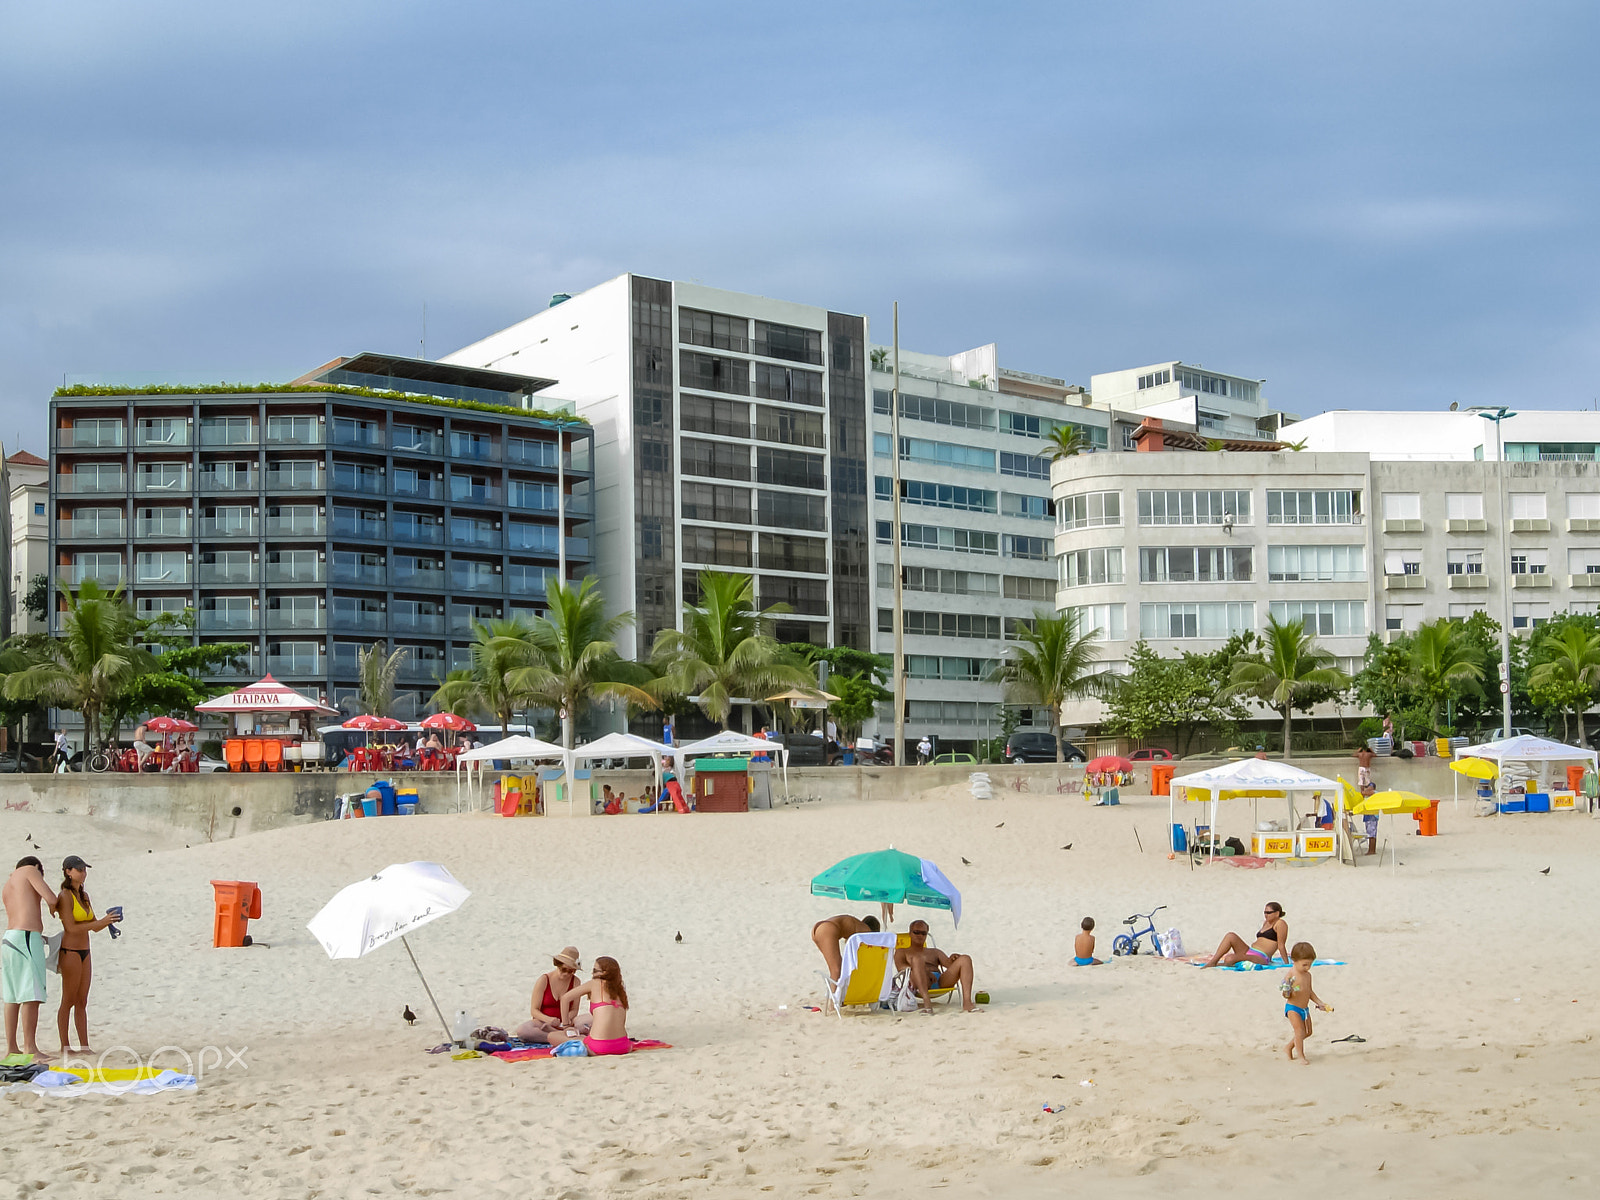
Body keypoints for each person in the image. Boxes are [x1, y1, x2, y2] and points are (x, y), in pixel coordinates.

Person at [56, 856, 119, 1056]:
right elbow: (71, 927)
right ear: (68, 871)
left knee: (82, 1000)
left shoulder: (84, 895)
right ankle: (65, 1046)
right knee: (68, 999)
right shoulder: (65, 895)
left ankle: (84, 1045)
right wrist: (100, 922)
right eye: (79, 869)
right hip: (71, 951)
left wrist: (108, 921)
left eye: (84, 869)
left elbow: (93, 925)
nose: (83, 873)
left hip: (85, 950)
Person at [3, 857, 60, 1064]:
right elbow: (51, 898)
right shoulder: (30, 870)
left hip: (9, 938)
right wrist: (53, 907)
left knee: (12, 995)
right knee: (31, 994)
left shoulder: (9, 882)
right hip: (27, 937)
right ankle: (31, 1047)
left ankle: (12, 1048)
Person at [895, 920, 977, 1012]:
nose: (920, 936)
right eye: (916, 932)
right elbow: (901, 967)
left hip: (940, 981)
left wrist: (954, 959)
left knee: (965, 959)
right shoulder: (902, 951)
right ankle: (927, 1004)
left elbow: (949, 964)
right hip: (919, 981)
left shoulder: (934, 952)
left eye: (923, 933)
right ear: (910, 933)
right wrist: (924, 971)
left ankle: (967, 1003)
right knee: (917, 959)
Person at [513, 947, 590, 1043]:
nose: (566, 974)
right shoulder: (544, 980)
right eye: (563, 969)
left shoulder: (575, 982)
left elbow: (574, 1009)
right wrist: (548, 1020)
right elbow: (534, 1010)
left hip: (565, 1024)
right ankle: (561, 1037)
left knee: (589, 1021)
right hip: (543, 1023)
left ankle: (556, 1036)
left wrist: (564, 1020)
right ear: (557, 965)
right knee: (523, 1030)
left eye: (570, 971)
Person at [558, 955, 632, 1056]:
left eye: (594, 970)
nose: (592, 973)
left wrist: (566, 1025)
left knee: (553, 1036)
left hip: (599, 1047)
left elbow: (565, 999)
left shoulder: (594, 983)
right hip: (623, 1046)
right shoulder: (620, 990)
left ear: (604, 973)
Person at [1199, 901, 1288, 968]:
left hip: (1261, 957)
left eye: (1269, 913)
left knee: (1229, 959)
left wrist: (1286, 964)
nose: (1266, 915)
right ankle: (1214, 961)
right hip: (1250, 951)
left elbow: (1281, 945)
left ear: (1277, 913)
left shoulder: (1280, 923)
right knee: (1231, 936)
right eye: (1265, 912)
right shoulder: (1266, 923)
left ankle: (1216, 963)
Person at [1281, 941, 1329, 1064]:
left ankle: (1288, 1047)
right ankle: (1301, 1056)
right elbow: (1285, 994)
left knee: (1308, 1032)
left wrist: (1320, 1002)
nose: (1307, 968)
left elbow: (1310, 992)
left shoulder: (1308, 975)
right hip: (1293, 1008)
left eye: (1310, 965)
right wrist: (1288, 991)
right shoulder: (1291, 975)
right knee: (1299, 1031)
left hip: (1304, 1009)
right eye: (1304, 965)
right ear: (1294, 960)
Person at [810, 913, 881, 983]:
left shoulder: (857, 925)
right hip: (827, 929)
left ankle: (832, 991)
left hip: (818, 929)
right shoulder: (866, 930)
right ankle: (834, 993)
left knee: (835, 969)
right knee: (836, 970)